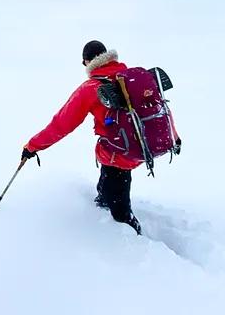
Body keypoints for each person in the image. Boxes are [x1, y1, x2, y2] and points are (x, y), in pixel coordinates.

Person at [21, 40, 142, 234]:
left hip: (118, 151)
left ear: (87, 61)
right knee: (107, 188)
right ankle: (102, 207)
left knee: (120, 212)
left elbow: (61, 124)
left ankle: (133, 241)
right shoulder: (129, 77)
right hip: (134, 145)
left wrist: (33, 145)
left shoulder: (91, 88)